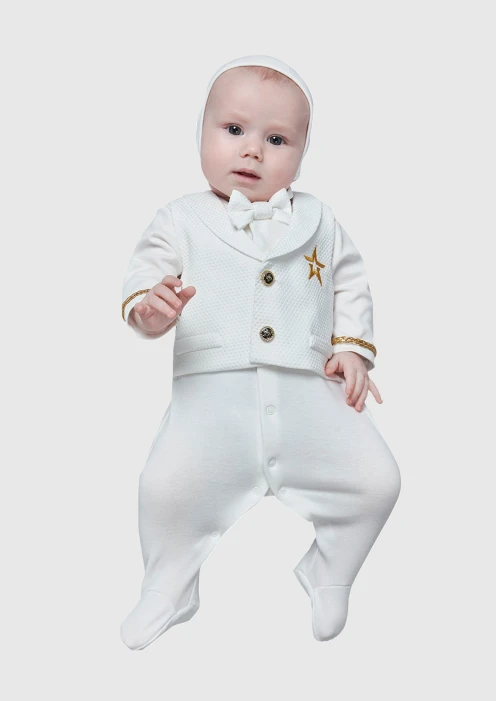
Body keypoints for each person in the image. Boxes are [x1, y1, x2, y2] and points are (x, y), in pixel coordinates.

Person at [120, 55, 401, 650]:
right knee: (165, 488)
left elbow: (350, 283)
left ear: (302, 151)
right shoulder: (180, 219)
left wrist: (352, 349)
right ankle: (168, 584)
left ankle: (331, 571)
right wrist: (151, 308)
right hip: (211, 401)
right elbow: (145, 279)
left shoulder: (320, 220)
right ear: (201, 130)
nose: (252, 150)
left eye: (276, 140)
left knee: (377, 481)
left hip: (310, 391)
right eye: (233, 129)